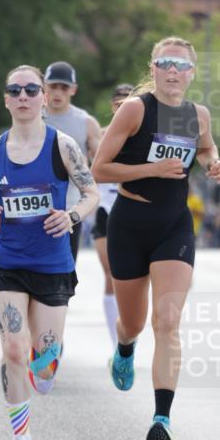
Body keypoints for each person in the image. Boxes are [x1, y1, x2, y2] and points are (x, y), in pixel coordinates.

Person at [92, 36, 220, 440]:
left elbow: (204, 148)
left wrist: (212, 162)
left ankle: (161, 419)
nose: (172, 71)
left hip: (174, 227)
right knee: (133, 323)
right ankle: (125, 348)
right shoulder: (135, 109)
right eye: (165, 63)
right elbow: (99, 169)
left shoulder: (197, 115)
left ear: (191, 73)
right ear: (153, 68)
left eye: (180, 65)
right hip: (129, 223)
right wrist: (151, 168)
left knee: (167, 323)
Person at [0, 65, 100, 440]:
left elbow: (91, 192)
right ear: (6, 99)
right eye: (15, 90)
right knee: (12, 347)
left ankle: (50, 358)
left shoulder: (62, 146)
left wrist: (72, 216)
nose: (23, 96)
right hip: (7, 261)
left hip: (52, 264)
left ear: (43, 99)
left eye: (31, 89)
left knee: (43, 355)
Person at [43, 61, 102, 263]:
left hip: (69, 208)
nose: (58, 92)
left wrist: (84, 164)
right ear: (44, 86)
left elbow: (102, 162)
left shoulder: (85, 123)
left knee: (65, 273)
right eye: (53, 86)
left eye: (64, 87)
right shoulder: (30, 116)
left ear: (73, 90)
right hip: (33, 206)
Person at [91, 83, 134, 350]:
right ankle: (113, 342)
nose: (122, 108)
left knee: (134, 278)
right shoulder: (102, 138)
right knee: (111, 274)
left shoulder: (147, 139)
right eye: (118, 104)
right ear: (112, 107)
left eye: (128, 103)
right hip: (105, 212)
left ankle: (129, 330)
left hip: (134, 212)